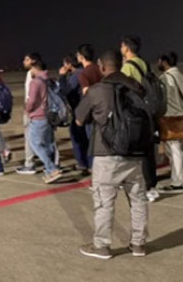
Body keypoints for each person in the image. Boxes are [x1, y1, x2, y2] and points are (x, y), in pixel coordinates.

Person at [76, 50, 148, 259]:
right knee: (138, 200)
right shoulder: (136, 87)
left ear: (102, 66)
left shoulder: (97, 90)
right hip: (135, 151)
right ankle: (138, 244)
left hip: (106, 152)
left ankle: (102, 245)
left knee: (104, 201)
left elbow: (79, 119)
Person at [120, 35, 159, 203]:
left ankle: (145, 187)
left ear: (126, 48)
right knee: (148, 150)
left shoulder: (128, 66)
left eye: (122, 46)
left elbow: (122, 88)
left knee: (135, 150)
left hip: (135, 111)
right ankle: (152, 185)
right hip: (147, 110)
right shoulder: (143, 63)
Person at [156, 52, 183, 194]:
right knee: (181, 149)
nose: (158, 63)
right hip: (182, 117)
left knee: (174, 151)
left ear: (165, 62)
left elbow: (163, 99)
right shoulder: (181, 76)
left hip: (171, 118)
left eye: (160, 61)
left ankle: (179, 183)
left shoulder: (166, 78)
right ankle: (182, 179)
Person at [25, 60, 63, 183]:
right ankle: (51, 169)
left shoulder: (35, 82)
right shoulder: (49, 80)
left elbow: (32, 101)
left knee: (35, 144)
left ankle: (52, 169)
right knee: (49, 144)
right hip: (50, 116)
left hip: (38, 117)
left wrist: (28, 110)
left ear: (35, 68)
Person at [60, 53, 89, 175]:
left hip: (79, 110)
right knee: (85, 137)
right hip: (86, 108)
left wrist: (62, 77)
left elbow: (66, 91)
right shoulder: (83, 71)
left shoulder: (76, 75)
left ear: (69, 65)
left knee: (77, 137)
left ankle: (83, 163)